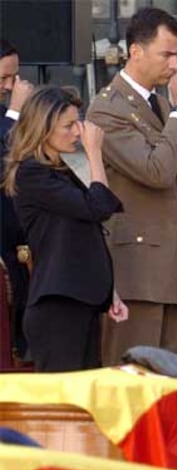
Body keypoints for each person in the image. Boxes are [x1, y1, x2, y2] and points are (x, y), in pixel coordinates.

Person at [87, 7, 177, 365]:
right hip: (135, 274)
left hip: (170, 273)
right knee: (133, 384)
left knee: (168, 390)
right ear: (135, 51)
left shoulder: (162, 106)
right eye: (166, 54)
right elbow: (156, 171)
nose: (175, 65)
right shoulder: (108, 109)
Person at [3, 86, 127, 372]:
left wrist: (110, 292)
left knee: (83, 402)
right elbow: (99, 207)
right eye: (69, 125)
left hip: (80, 301)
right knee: (63, 405)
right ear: (44, 128)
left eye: (77, 123)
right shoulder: (31, 172)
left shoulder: (60, 171)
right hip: (56, 306)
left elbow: (88, 229)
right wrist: (95, 153)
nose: (77, 132)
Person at [0, 39, 33, 360]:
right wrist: (14, 113)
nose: (10, 87)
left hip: (18, 247)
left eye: (14, 78)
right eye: (2, 79)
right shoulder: (10, 115)